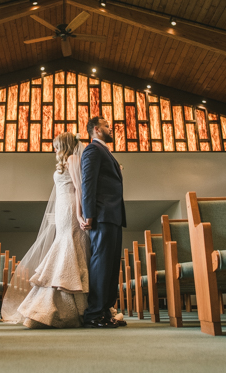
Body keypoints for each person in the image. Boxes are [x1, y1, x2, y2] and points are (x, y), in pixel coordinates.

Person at [0, 132, 90, 328]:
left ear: (65, 145)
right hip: (62, 208)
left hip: (70, 208)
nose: (54, 149)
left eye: (57, 145)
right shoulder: (65, 161)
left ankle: (69, 304)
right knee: (66, 244)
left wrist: (79, 215)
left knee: (69, 245)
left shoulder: (74, 159)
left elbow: (79, 188)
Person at [80, 116, 127, 328]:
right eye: (107, 125)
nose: (111, 128)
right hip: (102, 215)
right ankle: (93, 314)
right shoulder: (92, 150)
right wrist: (88, 213)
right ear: (97, 130)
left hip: (114, 216)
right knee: (101, 264)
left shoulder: (105, 151)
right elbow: (87, 183)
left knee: (111, 265)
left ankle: (106, 311)